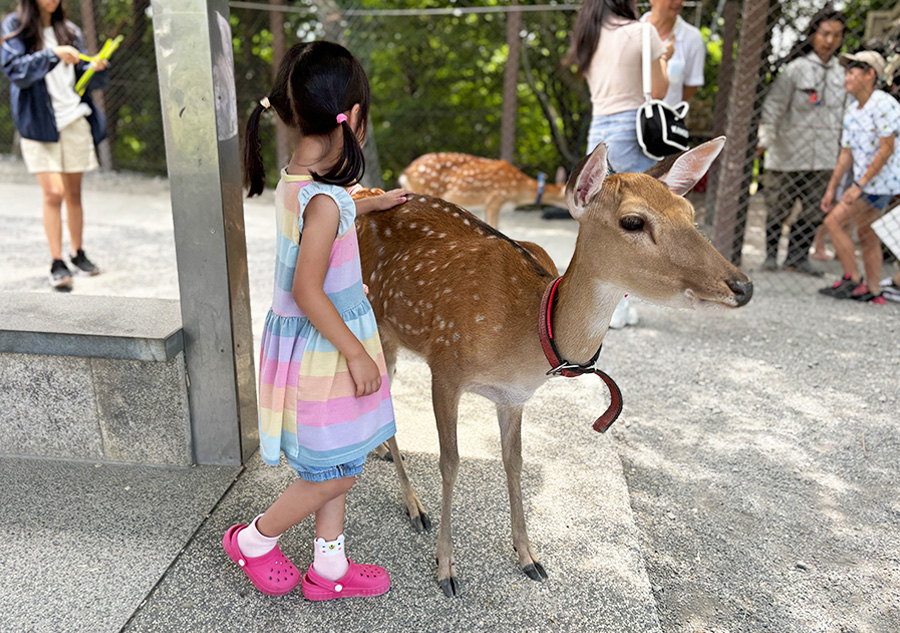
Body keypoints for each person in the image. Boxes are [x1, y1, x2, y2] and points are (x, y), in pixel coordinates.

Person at [224, 41, 410, 600]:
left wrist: (367, 205)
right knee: (338, 471)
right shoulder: (326, 203)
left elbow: (328, 218)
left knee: (339, 455)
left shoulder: (306, 182)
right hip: (326, 350)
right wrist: (356, 350)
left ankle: (329, 568)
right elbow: (308, 289)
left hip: (318, 340)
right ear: (352, 118)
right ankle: (254, 540)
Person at [567, 0, 669, 329]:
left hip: (600, 131)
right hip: (631, 128)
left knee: (602, 220)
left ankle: (594, 303)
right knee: (633, 222)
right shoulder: (643, 32)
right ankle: (619, 307)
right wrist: (665, 57)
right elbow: (659, 88)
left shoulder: (588, 37)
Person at [1, 0, 108, 290]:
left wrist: (95, 67)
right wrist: (52, 54)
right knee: (53, 192)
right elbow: (15, 71)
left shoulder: (70, 31)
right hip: (37, 124)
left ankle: (78, 253)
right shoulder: (15, 27)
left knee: (74, 192)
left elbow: (85, 82)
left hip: (74, 119)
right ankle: (57, 261)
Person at [756, 5, 847, 277]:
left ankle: (797, 257)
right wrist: (766, 141)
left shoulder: (843, 74)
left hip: (824, 157)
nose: (830, 41)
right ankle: (771, 256)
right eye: (825, 34)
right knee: (778, 207)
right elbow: (774, 107)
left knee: (812, 211)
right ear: (813, 35)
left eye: (836, 35)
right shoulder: (795, 70)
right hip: (787, 153)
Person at [819, 50, 900, 305]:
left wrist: (858, 185)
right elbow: (846, 153)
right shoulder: (854, 109)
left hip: (880, 184)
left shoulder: (884, 104)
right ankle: (874, 291)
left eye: (853, 71)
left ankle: (852, 278)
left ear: (870, 74)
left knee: (833, 222)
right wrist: (832, 188)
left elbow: (887, 148)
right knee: (866, 235)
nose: (847, 76)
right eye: (846, 71)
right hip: (867, 183)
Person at [640, 0, 706, 108]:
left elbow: (692, 85)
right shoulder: (631, 30)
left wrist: (671, 111)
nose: (678, 1)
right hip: (630, 118)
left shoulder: (692, 38)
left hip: (667, 121)